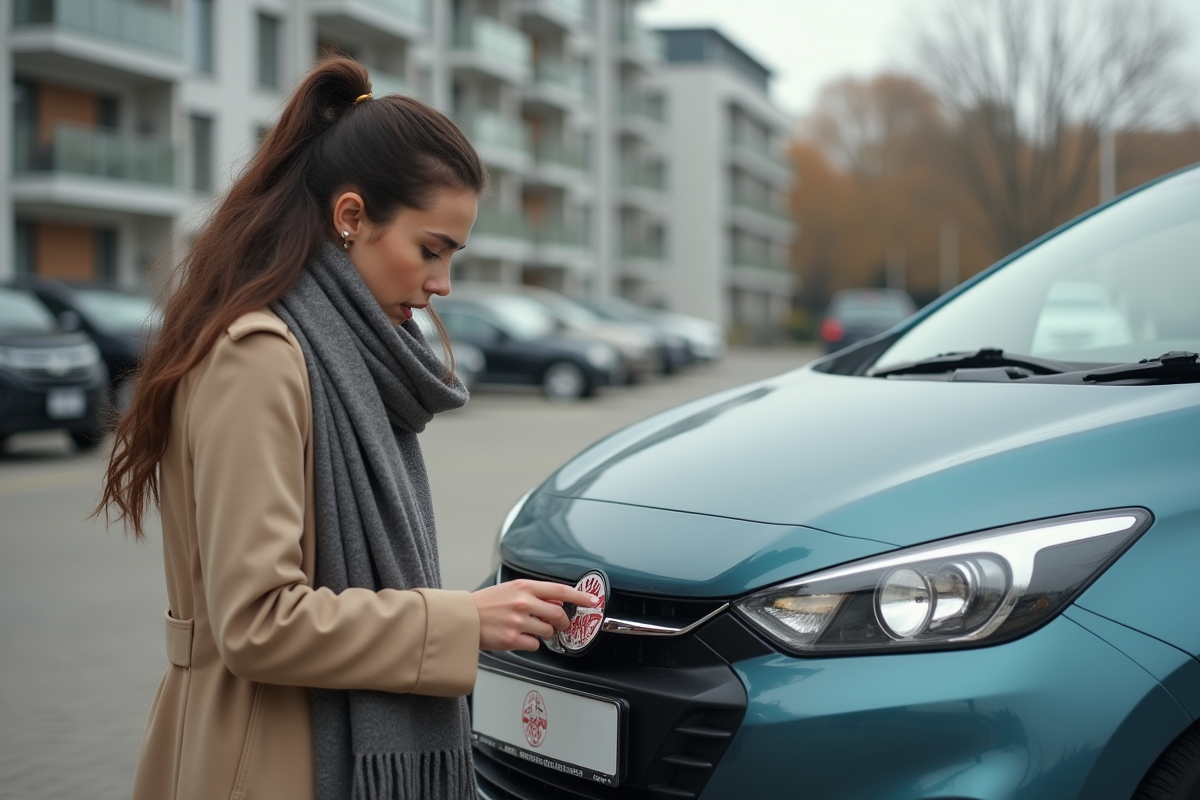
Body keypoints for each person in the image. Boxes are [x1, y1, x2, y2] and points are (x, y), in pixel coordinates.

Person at [97, 57, 597, 800]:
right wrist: (463, 621)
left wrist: (493, 613)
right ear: (352, 217)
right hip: (261, 757)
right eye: (430, 250)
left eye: (452, 256)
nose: (442, 284)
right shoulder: (260, 357)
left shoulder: (342, 355)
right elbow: (258, 622)